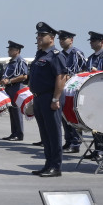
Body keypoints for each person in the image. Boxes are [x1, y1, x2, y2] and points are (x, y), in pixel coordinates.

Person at [28, 23, 68, 177]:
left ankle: (56, 166)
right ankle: (48, 163)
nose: (38, 37)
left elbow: (61, 77)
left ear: (51, 38)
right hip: (39, 98)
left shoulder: (56, 55)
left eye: (42, 35)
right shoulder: (40, 54)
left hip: (50, 97)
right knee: (44, 134)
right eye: (38, 35)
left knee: (54, 133)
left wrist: (56, 98)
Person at [82, 31, 103, 160]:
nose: (91, 42)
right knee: (94, 124)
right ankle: (97, 149)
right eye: (91, 40)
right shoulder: (91, 58)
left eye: (94, 40)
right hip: (93, 95)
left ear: (102, 42)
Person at [58, 30, 86, 154]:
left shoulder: (77, 53)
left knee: (73, 117)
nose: (61, 41)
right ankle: (68, 141)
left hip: (74, 89)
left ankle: (75, 143)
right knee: (65, 118)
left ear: (71, 40)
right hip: (63, 89)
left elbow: (84, 71)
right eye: (60, 39)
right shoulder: (59, 55)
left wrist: (72, 76)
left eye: (64, 39)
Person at [0, 41, 28, 141]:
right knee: (12, 111)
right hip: (9, 88)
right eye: (9, 49)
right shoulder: (11, 61)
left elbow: (24, 76)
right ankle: (14, 132)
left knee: (16, 111)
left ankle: (19, 134)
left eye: (11, 49)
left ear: (17, 51)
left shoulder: (20, 61)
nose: (9, 51)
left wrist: (10, 80)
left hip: (16, 87)